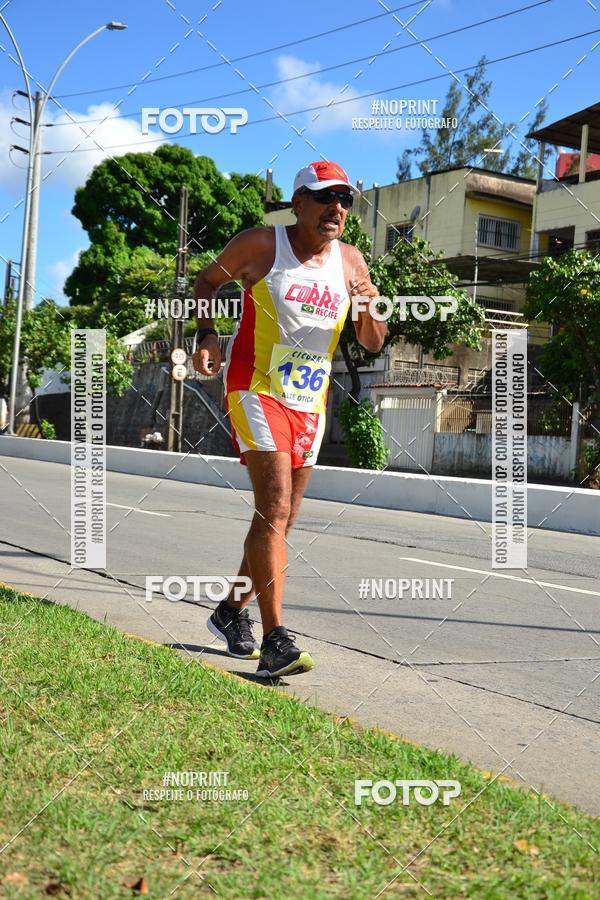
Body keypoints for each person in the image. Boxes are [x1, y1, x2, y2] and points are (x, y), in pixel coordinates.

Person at [192, 160, 386, 677]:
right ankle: (277, 638)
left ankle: (230, 610)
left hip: (310, 402)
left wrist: (371, 307)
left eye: (344, 200)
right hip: (255, 387)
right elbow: (206, 281)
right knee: (274, 507)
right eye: (324, 198)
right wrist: (206, 334)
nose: (336, 209)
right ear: (298, 203)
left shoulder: (351, 261)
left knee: (281, 520)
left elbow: (370, 343)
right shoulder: (261, 245)